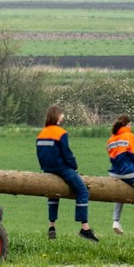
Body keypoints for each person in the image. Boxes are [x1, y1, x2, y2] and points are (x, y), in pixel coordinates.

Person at [36, 104, 98, 243]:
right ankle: (85, 228)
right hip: (61, 168)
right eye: (61, 114)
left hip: (47, 169)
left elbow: (39, 153)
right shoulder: (61, 133)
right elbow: (67, 154)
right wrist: (74, 166)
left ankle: (51, 227)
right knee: (82, 191)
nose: (63, 116)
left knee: (53, 194)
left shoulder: (41, 133)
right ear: (57, 116)